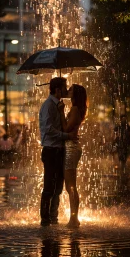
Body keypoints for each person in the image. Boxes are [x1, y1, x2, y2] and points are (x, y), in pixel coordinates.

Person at [39, 77, 77, 227]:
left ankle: (53, 218)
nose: (67, 90)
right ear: (57, 90)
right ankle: (45, 219)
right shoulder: (48, 105)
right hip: (50, 151)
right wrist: (66, 136)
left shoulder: (58, 105)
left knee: (59, 186)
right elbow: (47, 129)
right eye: (64, 87)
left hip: (59, 150)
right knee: (49, 186)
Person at [58, 84, 87, 228]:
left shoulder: (75, 109)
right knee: (70, 186)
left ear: (75, 94)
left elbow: (66, 129)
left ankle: (74, 219)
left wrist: (62, 112)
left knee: (71, 186)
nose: (68, 91)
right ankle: (74, 218)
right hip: (72, 147)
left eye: (70, 90)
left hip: (71, 148)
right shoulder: (76, 108)